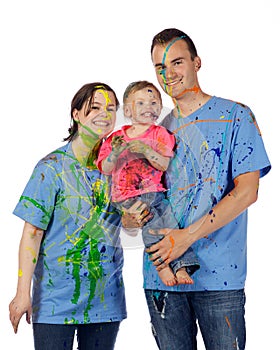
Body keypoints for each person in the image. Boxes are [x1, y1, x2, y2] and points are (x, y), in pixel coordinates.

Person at [141, 28, 271, 350]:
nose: (168, 74)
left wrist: (185, 236)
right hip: (163, 278)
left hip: (219, 277)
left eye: (177, 62)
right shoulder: (153, 131)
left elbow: (247, 192)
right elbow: (142, 197)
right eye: (160, 67)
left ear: (197, 63)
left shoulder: (235, 117)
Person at [9, 83, 128, 350]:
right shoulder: (51, 168)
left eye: (111, 108)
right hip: (55, 301)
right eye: (95, 107)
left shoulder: (119, 168)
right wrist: (21, 292)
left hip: (105, 300)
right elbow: (32, 233)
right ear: (76, 114)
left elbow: (128, 227)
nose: (104, 114)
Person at [96, 80, 200, 287]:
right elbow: (105, 168)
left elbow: (163, 165)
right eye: (141, 103)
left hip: (156, 194)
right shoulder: (115, 138)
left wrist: (146, 150)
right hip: (127, 197)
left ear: (160, 109)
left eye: (154, 103)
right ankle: (162, 266)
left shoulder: (159, 134)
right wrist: (116, 151)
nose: (149, 107)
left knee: (172, 227)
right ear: (127, 110)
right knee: (151, 228)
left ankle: (181, 266)